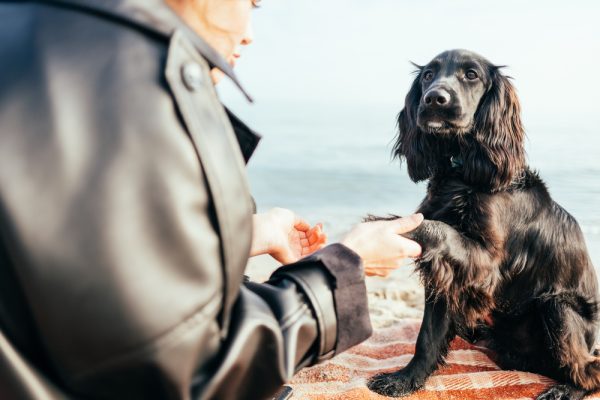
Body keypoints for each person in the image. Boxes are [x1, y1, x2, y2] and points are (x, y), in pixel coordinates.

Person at [0, 0, 423, 399]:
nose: (249, 34)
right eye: (252, 4)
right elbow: (194, 372)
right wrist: (343, 267)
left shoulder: (36, 35)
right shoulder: (133, 85)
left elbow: (71, 260)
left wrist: (247, 232)